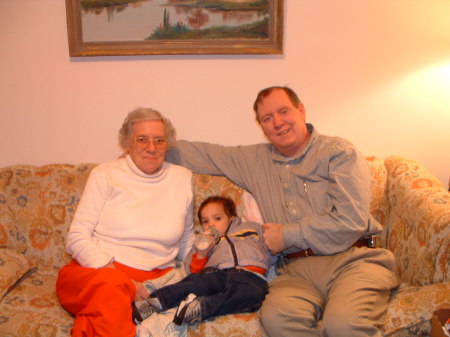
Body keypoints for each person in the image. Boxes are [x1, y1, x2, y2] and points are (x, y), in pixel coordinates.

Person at [166, 86, 399, 337]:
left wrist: (287, 235)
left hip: (353, 259)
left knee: (342, 326)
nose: (277, 123)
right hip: (295, 272)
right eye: (267, 118)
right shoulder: (254, 160)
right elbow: (205, 154)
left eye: (284, 111)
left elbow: (351, 220)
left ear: (301, 110)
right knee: (278, 319)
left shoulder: (338, 152)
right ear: (262, 127)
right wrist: (152, 145)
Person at [56, 107, 195, 337]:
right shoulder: (105, 174)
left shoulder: (182, 178)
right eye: (142, 139)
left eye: (159, 140)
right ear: (127, 143)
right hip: (96, 273)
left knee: (100, 316)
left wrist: (198, 274)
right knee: (111, 289)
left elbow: (187, 240)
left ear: (167, 144)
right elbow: (77, 236)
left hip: (150, 283)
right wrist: (122, 281)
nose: (151, 147)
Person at [132, 195, 271, 326]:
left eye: (217, 218)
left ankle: (199, 308)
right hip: (217, 274)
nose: (211, 224)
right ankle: (156, 301)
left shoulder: (251, 228)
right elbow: (191, 270)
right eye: (205, 221)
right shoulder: (203, 242)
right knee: (196, 282)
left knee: (253, 294)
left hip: (251, 276)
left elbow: (271, 246)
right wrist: (201, 254)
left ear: (231, 217)